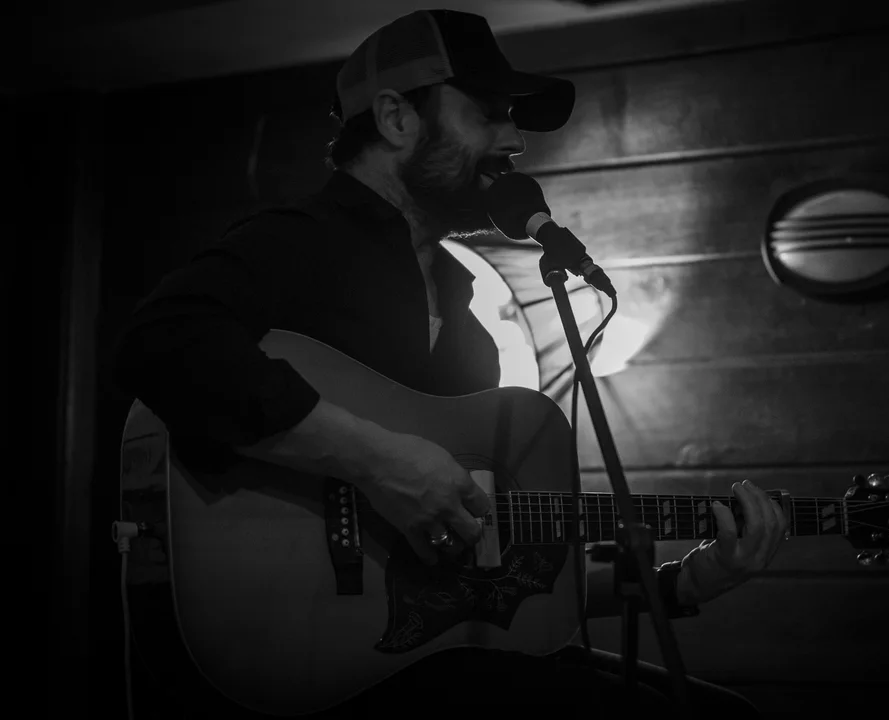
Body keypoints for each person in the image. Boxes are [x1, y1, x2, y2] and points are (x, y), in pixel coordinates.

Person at [112, 9, 787, 719]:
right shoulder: (299, 244)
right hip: (296, 661)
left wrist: (688, 581)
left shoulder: (469, 327)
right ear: (397, 118)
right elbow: (161, 342)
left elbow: (481, 579)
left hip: (411, 659)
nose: (515, 141)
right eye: (488, 114)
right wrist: (376, 461)